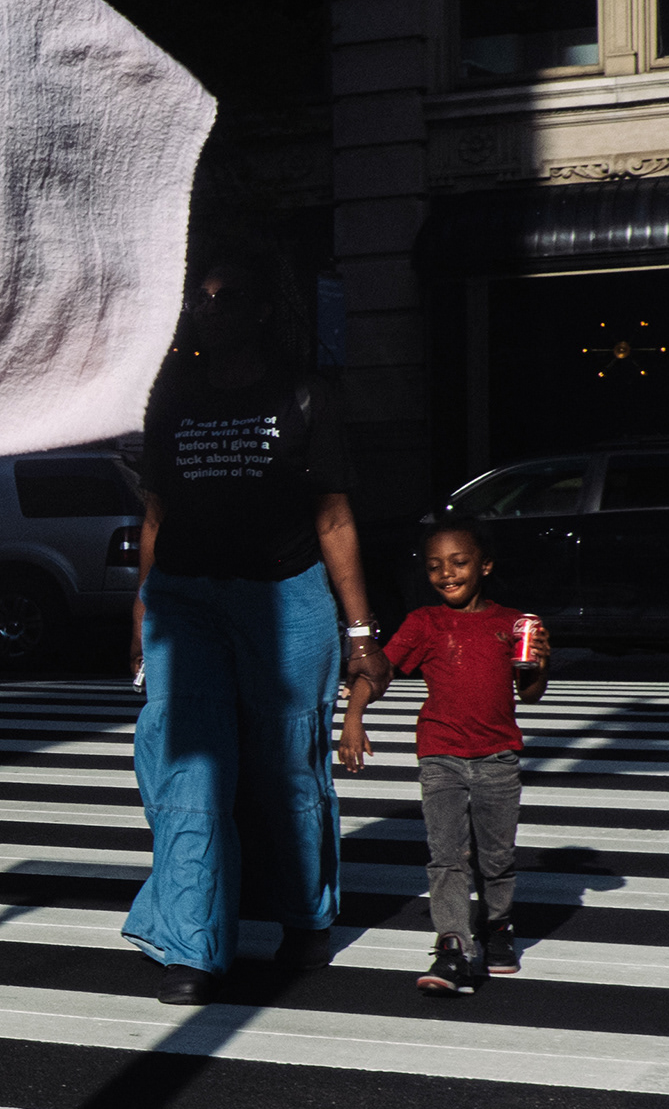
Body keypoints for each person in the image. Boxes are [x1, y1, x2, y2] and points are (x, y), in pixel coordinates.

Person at [124, 241, 382, 1004]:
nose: (208, 308)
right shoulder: (170, 395)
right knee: (190, 768)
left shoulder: (305, 396)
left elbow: (334, 517)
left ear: (263, 311)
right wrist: (142, 604)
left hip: (286, 595)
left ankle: (303, 915)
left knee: (286, 768)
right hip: (188, 600)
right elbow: (156, 513)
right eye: (200, 296)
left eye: (225, 295)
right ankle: (193, 942)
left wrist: (361, 632)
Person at [339, 511, 546, 996]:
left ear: (485, 566)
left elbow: (531, 692)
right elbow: (380, 670)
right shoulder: (424, 622)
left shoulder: (512, 623)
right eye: (435, 566)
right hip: (441, 755)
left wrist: (539, 663)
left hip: (498, 756)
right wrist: (353, 717)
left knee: (497, 856)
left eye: (459, 562)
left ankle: (497, 925)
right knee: (447, 856)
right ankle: (452, 943)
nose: (447, 574)